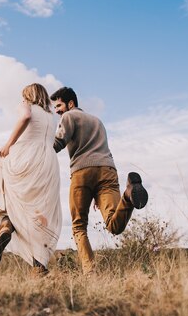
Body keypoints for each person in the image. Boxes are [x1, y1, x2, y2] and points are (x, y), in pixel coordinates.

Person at [51, 87, 148, 274]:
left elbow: (57, 144)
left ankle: (90, 272)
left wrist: (35, 148)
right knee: (114, 226)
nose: (57, 111)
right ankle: (128, 196)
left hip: (82, 171)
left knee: (79, 225)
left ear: (71, 104)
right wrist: (97, 192)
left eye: (59, 105)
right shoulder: (98, 121)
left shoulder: (68, 117)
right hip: (108, 170)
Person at [0, 83, 62, 274]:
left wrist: (9, 144)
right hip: (49, 164)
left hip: (27, 156)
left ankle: (6, 223)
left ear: (28, 95)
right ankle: (39, 265)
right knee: (39, 212)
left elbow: (25, 116)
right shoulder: (51, 116)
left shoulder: (26, 106)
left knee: (1, 171)